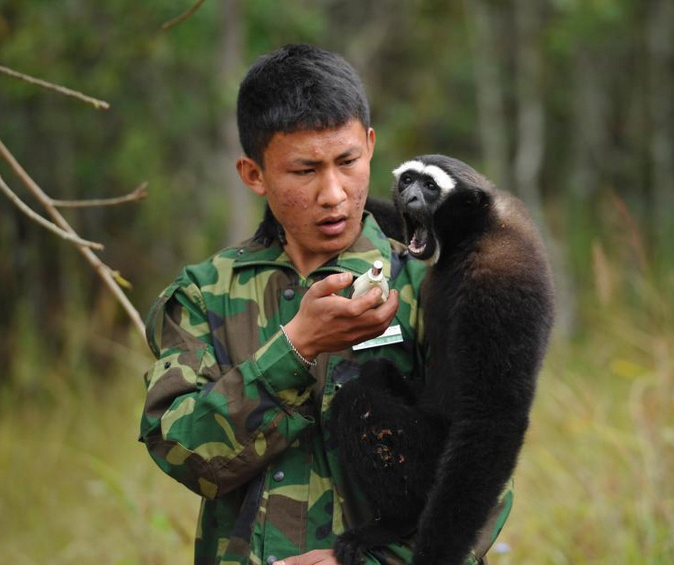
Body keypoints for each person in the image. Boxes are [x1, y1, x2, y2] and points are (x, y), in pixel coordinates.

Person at [139, 44, 510, 565]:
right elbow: (184, 454)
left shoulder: (434, 284)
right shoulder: (205, 295)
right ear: (253, 174)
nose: (333, 193)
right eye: (304, 171)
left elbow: (483, 472)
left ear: (372, 146)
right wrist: (296, 347)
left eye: (348, 161)